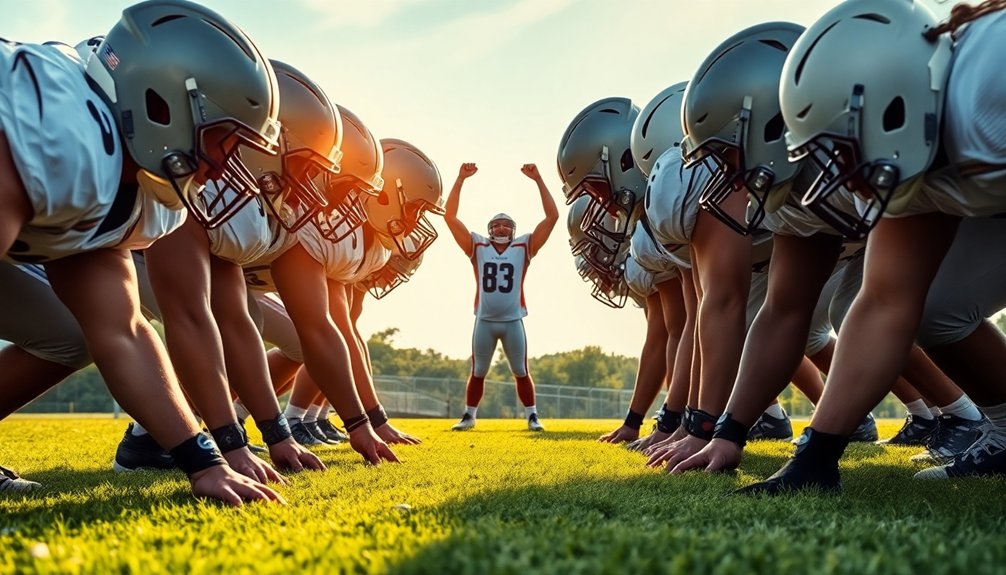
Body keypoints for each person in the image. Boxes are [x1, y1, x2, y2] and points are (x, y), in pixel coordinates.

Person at [0, 0, 284, 505]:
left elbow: (123, 332)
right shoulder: (58, 132)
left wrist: (205, 462)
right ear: (161, 99)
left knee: (71, 335)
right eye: (220, 139)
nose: (221, 166)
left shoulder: (125, 184)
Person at [732, 0, 1006, 493]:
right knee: (931, 305)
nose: (838, 172)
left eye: (841, 146)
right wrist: (817, 456)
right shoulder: (927, 129)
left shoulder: (991, 86)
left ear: (894, 102)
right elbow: (885, 302)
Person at [445, 163, 559, 432]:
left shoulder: (524, 246)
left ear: (514, 229)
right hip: (484, 319)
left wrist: (539, 180)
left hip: (512, 319)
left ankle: (532, 415)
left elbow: (552, 217)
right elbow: (450, 217)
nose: (501, 228)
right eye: (497, 225)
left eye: (506, 225)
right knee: (478, 371)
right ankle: (469, 415)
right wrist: (460, 179)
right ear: (489, 229)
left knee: (521, 370)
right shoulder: (477, 245)